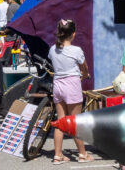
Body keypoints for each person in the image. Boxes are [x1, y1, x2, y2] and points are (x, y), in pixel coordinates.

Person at [48, 18, 91, 164]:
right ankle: (83, 154)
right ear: (73, 34)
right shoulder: (76, 50)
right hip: (72, 85)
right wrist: (85, 76)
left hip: (58, 85)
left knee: (61, 121)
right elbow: (84, 67)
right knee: (75, 122)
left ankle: (58, 155)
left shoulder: (52, 49)